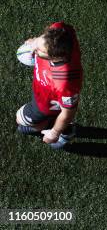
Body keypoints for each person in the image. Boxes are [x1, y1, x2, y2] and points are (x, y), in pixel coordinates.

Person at [15, 22, 82, 150]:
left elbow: (68, 112)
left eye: (39, 50)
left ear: (54, 57)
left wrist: (54, 133)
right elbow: (48, 37)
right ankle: (57, 125)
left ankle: (61, 129)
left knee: (19, 119)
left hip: (45, 105)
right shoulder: (60, 30)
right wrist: (36, 41)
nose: (33, 50)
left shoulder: (65, 82)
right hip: (41, 91)